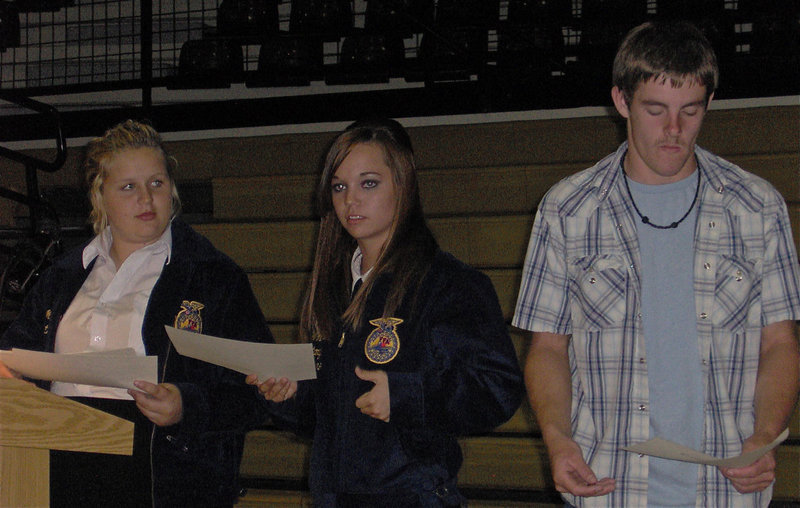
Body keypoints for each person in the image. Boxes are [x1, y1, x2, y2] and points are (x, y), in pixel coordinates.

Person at [513, 20, 800, 508]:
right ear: (621, 101)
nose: (674, 130)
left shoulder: (758, 206)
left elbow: (780, 343)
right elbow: (548, 348)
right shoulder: (567, 209)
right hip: (610, 485)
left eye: (690, 110)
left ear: (708, 103)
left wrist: (766, 433)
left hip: (725, 489)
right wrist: (558, 439)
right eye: (655, 110)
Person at [247, 117, 524, 507]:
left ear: (403, 185)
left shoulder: (449, 283)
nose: (350, 200)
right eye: (340, 186)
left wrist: (408, 396)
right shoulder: (334, 285)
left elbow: (497, 390)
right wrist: (288, 396)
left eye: (369, 183)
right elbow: (328, 419)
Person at [0, 119, 273, 508]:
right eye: (128, 187)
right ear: (100, 196)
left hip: (163, 478)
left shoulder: (213, 276)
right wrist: (11, 375)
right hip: (53, 468)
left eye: (156, 183)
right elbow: (16, 358)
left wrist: (186, 404)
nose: (146, 198)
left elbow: (258, 392)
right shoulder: (62, 277)